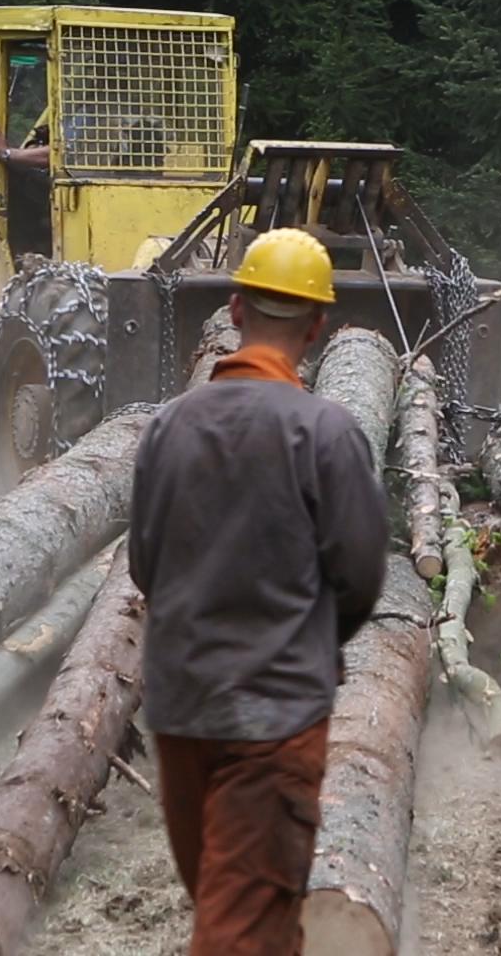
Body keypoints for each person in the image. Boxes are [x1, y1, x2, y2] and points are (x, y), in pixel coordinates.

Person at [128, 228, 389, 955]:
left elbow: (144, 565)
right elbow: (363, 575)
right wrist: (306, 639)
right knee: (243, 930)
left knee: (230, 905)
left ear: (235, 309)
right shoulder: (327, 432)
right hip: (273, 718)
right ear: (318, 326)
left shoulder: (167, 427)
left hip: (180, 709)